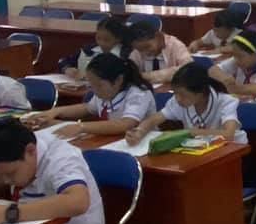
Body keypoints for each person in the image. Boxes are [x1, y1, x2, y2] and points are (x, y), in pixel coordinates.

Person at [21, 52, 156, 142]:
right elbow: (86, 108)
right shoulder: (105, 92)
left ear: (118, 80)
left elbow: (125, 124)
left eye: (98, 85)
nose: (94, 90)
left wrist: (81, 127)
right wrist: (55, 112)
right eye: (92, 85)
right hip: (111, 140)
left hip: (138, 143)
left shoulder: (138, 93)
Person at [126, 63, 240, 143]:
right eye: (175, 93)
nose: (177, 98)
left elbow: (229, 134)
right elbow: (153, 119)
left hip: (231, 151)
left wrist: (192, 132)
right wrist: (139, 131)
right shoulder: (179, 101)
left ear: (200, 92)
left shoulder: (226, 102)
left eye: (182, 95)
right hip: (200, 151)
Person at [210, 32, 256, 98]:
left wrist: (230, 87)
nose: (236, 60)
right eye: (234, 55)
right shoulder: (237, 60)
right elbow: (212, 70)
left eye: (240, 56)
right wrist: (225, 78)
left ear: (255, 54)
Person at [64, 14, 133, 78]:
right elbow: (65, 61)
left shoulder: (125, 55)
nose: (101, 43)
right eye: (98, 38)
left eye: (106, 40)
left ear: (118, 39)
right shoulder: (88, 49)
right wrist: (67, 68)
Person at [128, 17, 193, 80]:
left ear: (158, 36)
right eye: (140, 50)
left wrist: (148, 76)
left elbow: (188, 68)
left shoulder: (175, 45)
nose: (145, 52)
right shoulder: (138, 50)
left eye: (147, 47)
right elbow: (129, 71)